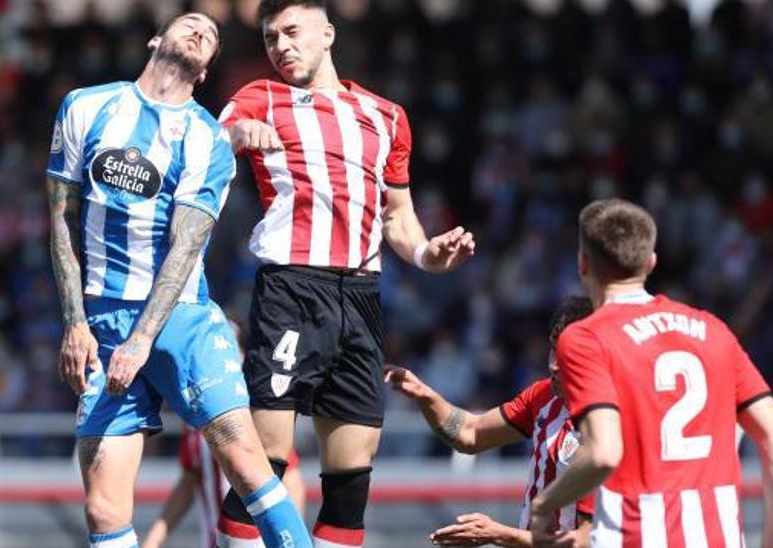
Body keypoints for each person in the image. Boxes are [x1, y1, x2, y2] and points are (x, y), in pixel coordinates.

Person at [45, 11, 312, 548]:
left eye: (210, 37)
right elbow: (61, 217)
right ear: (155, 39)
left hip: (180, 319)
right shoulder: (86, 105)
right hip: (102, 321)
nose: (199, 31)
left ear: (208, 69)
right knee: (102, 508)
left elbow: (186, 244)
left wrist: (142, 339)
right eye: (189, 23)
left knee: (245, 461)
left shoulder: (205, 137)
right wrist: (75, 323)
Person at [215, 2, 475, 546]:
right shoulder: (258, 98)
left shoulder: (386, 116)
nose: (281, 46)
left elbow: (399, 219)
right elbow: (212, 144)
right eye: (270, 38)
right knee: (262, 462)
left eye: (291, 32)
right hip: (292, 287)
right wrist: (236, 139)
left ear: (327, 34)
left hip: (360, 295)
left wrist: (431, 255)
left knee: (351, 476)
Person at [527, 199, 773, 548]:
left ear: (583, 264)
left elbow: (603, 453)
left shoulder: (585, 338)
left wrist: (543, 504)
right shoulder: (713, 330)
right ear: (651, 262)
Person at [386, 296, 596, 548]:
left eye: (565, 355)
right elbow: (470, 433)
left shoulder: (607, 426)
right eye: (553, 349)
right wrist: (424, 395)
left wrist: (499, 534)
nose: (552, 365)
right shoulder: (542, 397)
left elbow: (587, 542)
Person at [141, 426, 307, 548]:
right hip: (216, 541)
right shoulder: (193, 428)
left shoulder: (255, 420)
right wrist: (153, 540)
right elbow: (187, 484)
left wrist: (286, 540)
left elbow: (292, 482)